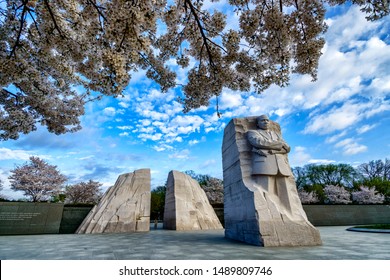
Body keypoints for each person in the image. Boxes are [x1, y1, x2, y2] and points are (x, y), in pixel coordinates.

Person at [247, 115, 294, 210]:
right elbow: (259, 142)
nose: (266, 122)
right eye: (263, 120)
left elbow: (287, 148)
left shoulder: (276, 134)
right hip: (264, 165)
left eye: (267, 120)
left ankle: (289, 214)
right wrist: (279, 144)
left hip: (281, 165)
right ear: (257, 123)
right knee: (265, 193)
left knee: (286, 195)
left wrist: (273, 146)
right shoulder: (252, 132)